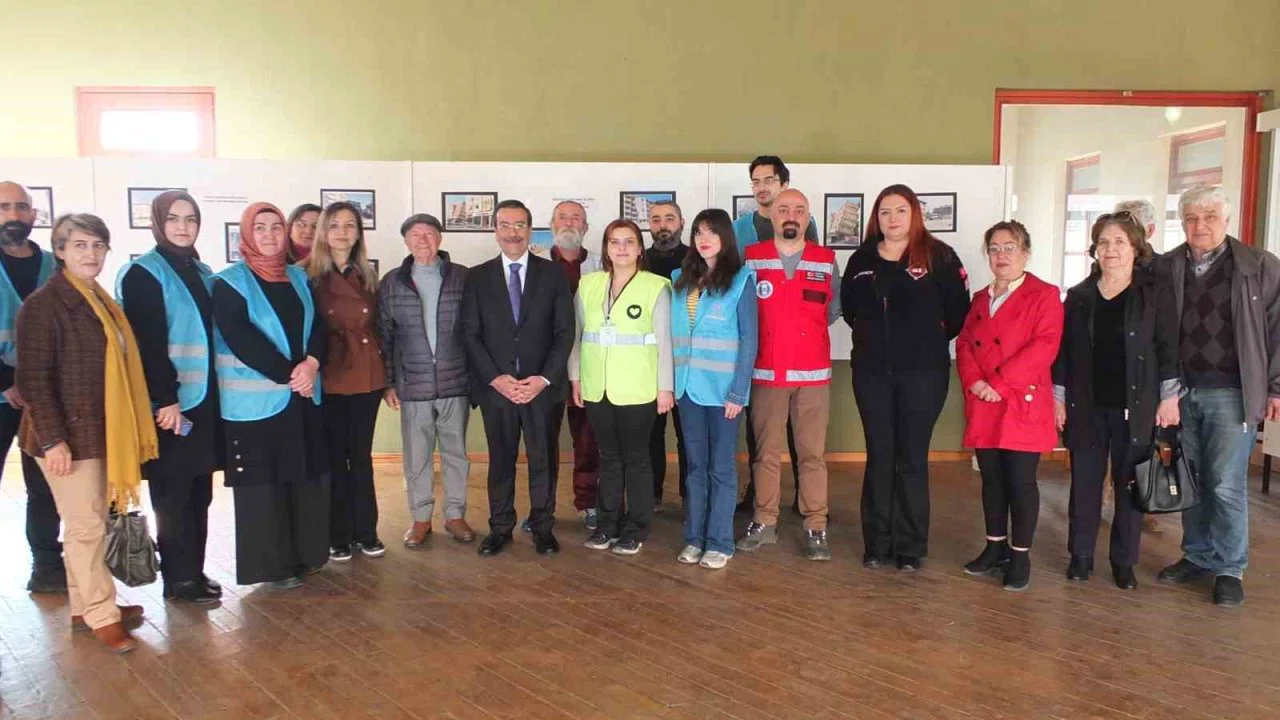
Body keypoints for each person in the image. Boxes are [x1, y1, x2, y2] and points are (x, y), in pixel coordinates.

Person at [17, 213, 158, 653]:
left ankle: (84, 607)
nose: (90, 254)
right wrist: (53, 440)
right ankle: (102, 615)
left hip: (99, 430)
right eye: (79, 245)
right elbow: (33, 380)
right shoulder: (43, 305)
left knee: (89, 523)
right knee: (86, 527)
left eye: (98, 245)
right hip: (66, 438)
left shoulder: (100, 299)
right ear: (59, 251)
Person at [1153, 185, 1280, 608]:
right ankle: (1197, 555)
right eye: (1191, 218)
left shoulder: (1258, 266)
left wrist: (1277, 386)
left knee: (1225, 484)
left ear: (1227, 220)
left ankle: (1229, 567)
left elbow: (1278, 330)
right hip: (1180, 391)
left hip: (1234, 391)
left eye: (1209, 217)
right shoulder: (1168, 266)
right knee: (1190, 478)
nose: (1200, 225)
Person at [840, 184, 971, 571]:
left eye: (900, 210)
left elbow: (957, 314)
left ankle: (911, 546)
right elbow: (850, 311)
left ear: (915, 214)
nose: (892, 218)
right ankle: (877, 544)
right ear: (875, 219)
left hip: (923, 375)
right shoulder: (861, 259)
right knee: (880, 455)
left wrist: (920, 340)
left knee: (912, 458)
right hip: (872, 375)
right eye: (884, 212)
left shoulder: (939, 256)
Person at [1053, 211, 1180, 590]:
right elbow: (1063, 355)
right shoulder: (1079, 296)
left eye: (1119, 242)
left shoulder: (1154, 293)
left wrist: (1169, 398)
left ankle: (1123, 561)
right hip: (1087, 406)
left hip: (1137, 407)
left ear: (1135, 248)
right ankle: (1080, 556)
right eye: (1103, 242)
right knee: (1085, 484)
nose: (1110, 249)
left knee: (1130, 486)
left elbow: (1168, 349)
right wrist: (1058, 398)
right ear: (1094, 249)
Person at [211, 202, 328, 590]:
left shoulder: (298, 278)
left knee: (302, 478)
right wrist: (292, 375)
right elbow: (242, 340)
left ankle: (305, 556)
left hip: (301, 397)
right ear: (246, 233)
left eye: (276, 227)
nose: (268, 235)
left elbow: (318, 327)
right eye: (259, 227)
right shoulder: (228, 283)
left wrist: (312, 365)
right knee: (264, 487)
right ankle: (272, 567)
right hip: (256, 406)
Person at [116, 191, 222, 604]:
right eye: (174, 218)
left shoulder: (201, 270)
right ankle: (178, 580)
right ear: (158, 223)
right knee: (173, 494)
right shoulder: (143, 274)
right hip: (171, 405)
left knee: (200, 492)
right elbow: (148, 344)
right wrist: (165, 399)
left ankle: (193, 570)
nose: (183, 226)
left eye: (190, 218)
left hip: (204, 401)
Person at [461, 199, 573, 558]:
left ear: (530, 229)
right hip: (498, 390)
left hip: (541, 390)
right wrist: (495, 378)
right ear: (495, 230)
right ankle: (500, 528)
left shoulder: (553, 274)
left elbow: (564, 333)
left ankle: (542, 528)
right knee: (500, 460)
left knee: (544, 460)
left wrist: (543, 379)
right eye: (505, 225)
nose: (513, 232)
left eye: (520, 225)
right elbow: (470, 335)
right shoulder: (476, 277)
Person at [956, 221, 1063, 591]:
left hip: (1020, 401)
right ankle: (995, 547)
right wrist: (974, 382)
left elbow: (1044, 346)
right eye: (994, 249)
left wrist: (999, 384)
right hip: (985, 401)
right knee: (992, 479)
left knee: (1020, 481)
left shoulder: (1044, 294)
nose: (1001, 255)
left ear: (1025, 252)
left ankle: (1020, 555)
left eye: (1009, 247)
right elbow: (965, 343)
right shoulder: (980, 298)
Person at [737, 189, 840, 561]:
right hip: (767, 373)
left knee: (812, 455)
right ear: (773, 216)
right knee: (765, 453)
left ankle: (816, 525)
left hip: (813, 375)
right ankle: (764, 521)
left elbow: (832, 310)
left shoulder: (826, 260)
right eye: (784, 209)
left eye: (799, 209)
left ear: (808, 217)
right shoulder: (752, 257)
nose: (791, 215)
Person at [570, 219, 674, 556]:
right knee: (609, 458)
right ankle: (607, 525)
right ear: (606, 248)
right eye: (615, 241)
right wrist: (575, 376)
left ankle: (636, 528)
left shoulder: (656, 287)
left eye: (629, 241)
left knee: (637, 459)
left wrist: (665, 387)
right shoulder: (588, 285)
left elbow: (665, 341)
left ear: (640, 248)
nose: (622, 248)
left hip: (638, 387)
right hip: (596, 386)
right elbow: (577, 335)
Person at [377, 214, 474, 546]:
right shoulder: (392, 282)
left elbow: (475, 330)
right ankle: (420, 519)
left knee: (456, 454)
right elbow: (384, 336)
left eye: (429, 234)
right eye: (415, 235)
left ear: (440, 239)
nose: (423, 240)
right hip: (413, 384)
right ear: (406, 242)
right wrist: (389, 383)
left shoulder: (462, 277)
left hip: (455, 381)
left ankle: (455, 515)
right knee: (417, 458)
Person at [671, 209, 756, 569]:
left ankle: (720, 542)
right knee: (694, 467)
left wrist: (739, 392)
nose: (704, 239)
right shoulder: (680, 280)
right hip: (687, 390)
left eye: (712, 232)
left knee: (721, 468)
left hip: (724, 395)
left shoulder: (741, 279)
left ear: (725, 238)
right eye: (698, 232)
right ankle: (695, 538)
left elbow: (749, 340)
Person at [305, 201, 387, 562]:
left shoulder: (368, 276)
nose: (342, 232)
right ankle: (337, 534)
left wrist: (389, 379)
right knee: (335, 458)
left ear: (359, 233)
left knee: (362, 457)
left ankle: (366, 531)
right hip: (329, 372)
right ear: (323, 232)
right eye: (335, 225)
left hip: (367, 373)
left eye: (350, 225)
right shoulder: (306, 275)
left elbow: (381, 328)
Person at [731, 156, 811, 511]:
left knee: (800, 428)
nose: (762, 187)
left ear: (783, 184)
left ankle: (804, 497)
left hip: (798, 349)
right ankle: (758, 492)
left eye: (769, 180)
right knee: (759, 425)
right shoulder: (739, 230)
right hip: (754, 344)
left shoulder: (806, 225)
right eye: (756, 181)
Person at [0, 181, 64, 594]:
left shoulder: (54, 266)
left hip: (43, 397)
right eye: (4, 206)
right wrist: (7, 383)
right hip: (3, 394)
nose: (13, 215)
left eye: (21, 207)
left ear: (34, 215)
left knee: (44, 485)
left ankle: (47, 567)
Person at [545, 200, 602, 531]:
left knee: (588, 440)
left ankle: (588, 502)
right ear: (552, 225)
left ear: (586, 227)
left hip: (589, 365)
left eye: (576, 218)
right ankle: (543, 507)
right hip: (546, 368)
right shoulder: (536, 264)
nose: (569, 223)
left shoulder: (601, 265)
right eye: (563, 218)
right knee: (543, 442)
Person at [644, 200, 691, 510]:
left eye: (669, 218)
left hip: (688, 361)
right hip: (647, 361)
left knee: (688, 435)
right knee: (651, 434)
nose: (663, 225)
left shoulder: (696, 260)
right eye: (656, 219)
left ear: (681, 223)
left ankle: (690, 497)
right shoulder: (639, 260)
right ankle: (652, 495)